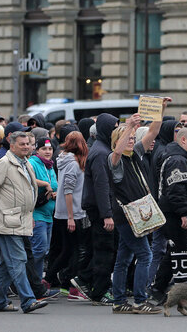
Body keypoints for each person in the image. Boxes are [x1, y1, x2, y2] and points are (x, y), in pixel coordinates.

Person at [0, 130, 48, 314]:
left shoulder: (26, 163)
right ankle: (28, 300)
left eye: (28, 144)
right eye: (22, 144)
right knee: (18, 259)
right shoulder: (4, 164)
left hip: (20, 219)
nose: (26, 146)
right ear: (12, 145)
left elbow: (29, 191)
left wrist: (30, 215)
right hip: (7, 220)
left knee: (5, 263)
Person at [108, 114, 164, 314]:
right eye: (128, 139)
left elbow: (153, 132)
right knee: (145, 255)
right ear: (117, 141)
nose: (132, 141)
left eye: (132, 138)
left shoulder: (136, 153)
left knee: (124, 259)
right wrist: (129, 127)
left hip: (138, 214)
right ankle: (140, 300)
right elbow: (116, 153)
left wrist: (160, 110)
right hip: (127, 216)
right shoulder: (115, 159)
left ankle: (119, 301)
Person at [151, 123, 187, 303]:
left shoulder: (181, 157)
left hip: (179, 214)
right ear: (183, 140)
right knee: (180, 253)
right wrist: (184, 213)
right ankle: (183, 294)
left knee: (174, 252)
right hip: (176, 216)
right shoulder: (177, 160)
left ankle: (158, 289)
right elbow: (175, 190)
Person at [74, 113, 119, 305]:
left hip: (100, 208)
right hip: (100, 210)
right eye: (115, 127)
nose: (117, 130)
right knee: (104, 250)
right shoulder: (101, 152)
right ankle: (98, 292)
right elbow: (102, 186)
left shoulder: (102, 148)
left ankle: (85, 279)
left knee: (104, 248)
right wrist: (107, 215)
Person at [46, 130, 90, 300]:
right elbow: (69, 190)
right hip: (73, 213)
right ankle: (55, 281)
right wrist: (71, 217)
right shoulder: (73, 163)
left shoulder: (64, 160)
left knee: (68, 250)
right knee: (75, 251)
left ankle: (61, 282)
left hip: (64, 213)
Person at [29, 137, 57, 281]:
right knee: (38, 251)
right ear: (37, 150)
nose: (47, 152)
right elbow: (28, 179)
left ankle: (37, 283)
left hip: (48, 214)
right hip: (36, 213)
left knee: (42, 251)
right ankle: (29, 282)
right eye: (44, 149)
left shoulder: (50, 165)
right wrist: (45, 184)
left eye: (50, 149)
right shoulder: (32, 163)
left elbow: (55, 185)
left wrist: (54, 193)